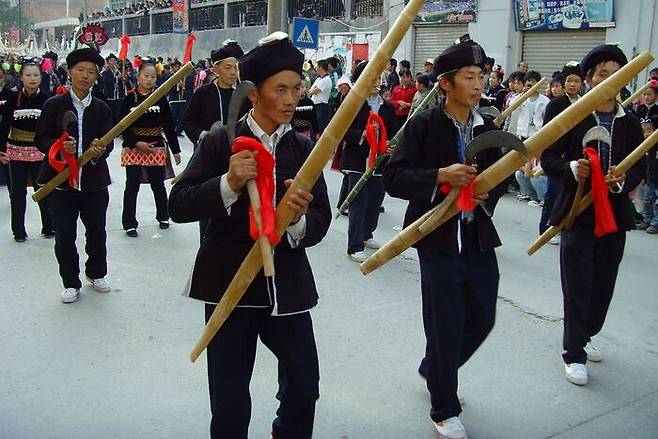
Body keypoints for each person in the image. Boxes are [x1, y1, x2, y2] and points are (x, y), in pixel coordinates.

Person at [169, 32, 331, 439]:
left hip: (287, 286)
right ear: (254, 94)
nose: (292, 99)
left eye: (297, 88)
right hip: (229, 284)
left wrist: (296, 220)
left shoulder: (302, 147)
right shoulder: (219, 142)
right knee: (229, 398)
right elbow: (179, 203)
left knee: (304, 384)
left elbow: (322, 217)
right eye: (281, 89)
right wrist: (226, 183)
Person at [383, 35, 505, 439]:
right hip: (436, 238)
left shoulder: (487, 122)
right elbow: (394, 177)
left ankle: (437, 365)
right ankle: (444, 405)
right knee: (445, 323)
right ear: (446, 84)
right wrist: (439, 176)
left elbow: (502, 173)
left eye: (480, 76)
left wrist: (489, 188)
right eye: (468, 77)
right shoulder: (423, 124)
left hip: (477, 235)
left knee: (483, 316)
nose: (477, 84)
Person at [541, 44, 646, 387]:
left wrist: (621, 181)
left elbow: (638, 165)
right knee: (578, 285)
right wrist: (574, 168)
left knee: (603, 284)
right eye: (603, 73)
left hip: (614, 214)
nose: (609, 79)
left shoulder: (628, 122)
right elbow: (548, 159)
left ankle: (586, 333)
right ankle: (573, 353)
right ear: (589, 79)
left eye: (617, 73)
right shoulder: (570, 115)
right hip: (577, 212)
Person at [34, 47, 114, 304]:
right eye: (80, 70)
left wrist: (99, 149)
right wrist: (59, 147)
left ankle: (96, 273)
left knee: (97, 231)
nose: (85, 76)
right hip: (61, 183)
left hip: (94, 182)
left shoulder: (102, 108)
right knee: (65, 235)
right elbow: (41, 139)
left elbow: (110, 141)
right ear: (69, 72)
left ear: (96, 77)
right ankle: (70, 281)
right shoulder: (53, 105)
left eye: (91, 72)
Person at [119, 57, 182, 237]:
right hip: (134, 146)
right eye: (146, 75)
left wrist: (176, 150)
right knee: (131, 186)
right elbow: (121, 125)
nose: (149, 79)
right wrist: (136, 142)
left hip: (155, 146)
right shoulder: (129, 98)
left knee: (158, 184)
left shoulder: (160, 98)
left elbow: (169, 124)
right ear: (138, 76)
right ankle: (129, 223)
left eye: (153, 77)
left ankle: (163, 216)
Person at [340, 61, 397, 262]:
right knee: (358, 201)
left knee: (374, 200)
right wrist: (362, 134)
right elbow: (341, 130)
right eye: (372, 78)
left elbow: (393, 132)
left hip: (379, 160)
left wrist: (390, 144)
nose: (377, 82)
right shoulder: (351, 103)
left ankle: (366, 234)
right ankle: (354, 245)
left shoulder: (387, 107)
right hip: (357, 160)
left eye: (378, 78)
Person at [0, 58, 53, 241]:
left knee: (43, 188)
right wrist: (1, 150)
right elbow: (3, 127)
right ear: (21, 77)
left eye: (36, 75)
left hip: (39, 151)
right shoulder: (12, 100)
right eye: (28, 75)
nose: (32, 79)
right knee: (18, 192)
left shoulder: (48, 100)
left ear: (41, 77)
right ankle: (18, 230)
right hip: (16, 150)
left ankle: (48, 226)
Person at [540, 62, 584, 240]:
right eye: (569, 81)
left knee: (571, 195)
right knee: (553, 194)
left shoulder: (586, 103)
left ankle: (565, 228)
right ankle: (545, 229)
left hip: (577, 154)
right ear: (564, 83)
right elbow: (547, 131)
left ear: (582, 83)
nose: (572, 84)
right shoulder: (555, 104)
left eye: (576, 81)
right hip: (557, 155)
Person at [637, 116, 658, 233]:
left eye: (649, 131)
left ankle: (655, 223)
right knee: (647, 201)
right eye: (644, 132)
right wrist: (644, 177)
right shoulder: (645, 149)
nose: (646, 135)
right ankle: (647, 219)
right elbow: (646, 165)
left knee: (657, 204)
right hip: (650, 180)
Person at [308, 59, 332, 135]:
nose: (315, 68)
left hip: (321, 106)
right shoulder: (319, 79)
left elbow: (313, 91)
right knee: (313, 127)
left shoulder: (326, 79)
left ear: (320, 67)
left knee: (320, 127)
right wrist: (313, 90)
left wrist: (313, 90)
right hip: (314, 105)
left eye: (317, 66)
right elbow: (310, 90)